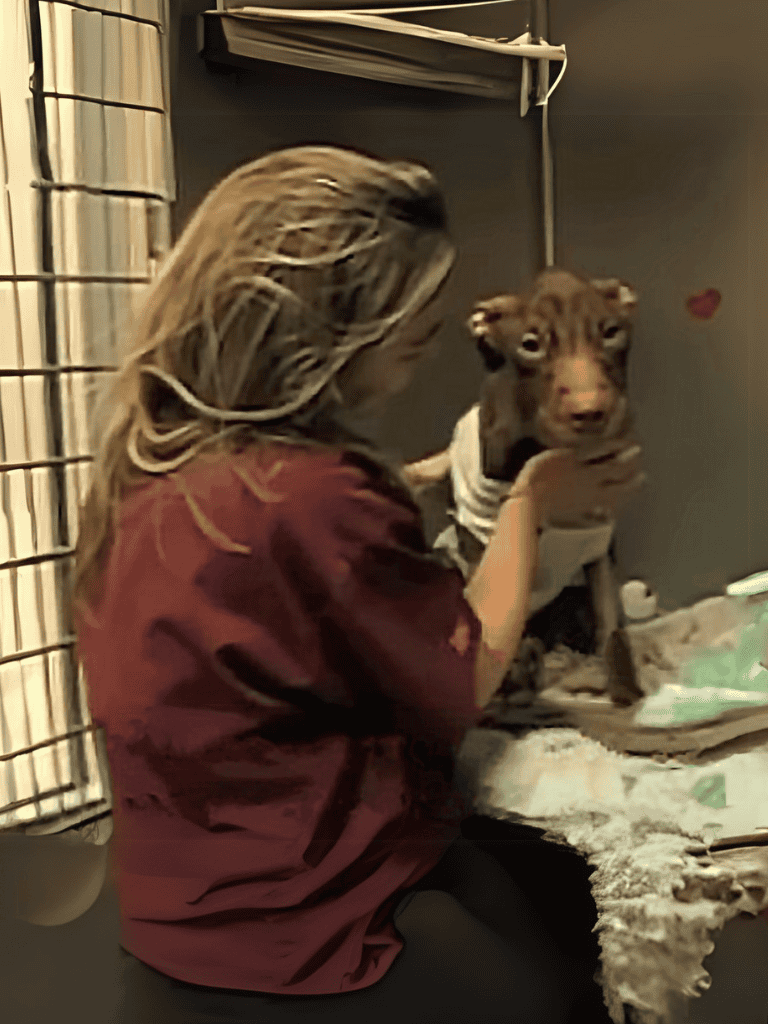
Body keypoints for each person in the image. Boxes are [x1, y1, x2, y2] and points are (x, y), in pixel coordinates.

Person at [70, 145, 644, 1023]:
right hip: (307, 936)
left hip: (170, 924)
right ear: (327, 339)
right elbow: (467, 674)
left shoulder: (143, 470)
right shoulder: (320, 493)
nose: (417, 361)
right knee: (574, 979)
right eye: (410, 342)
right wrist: (532, 500)